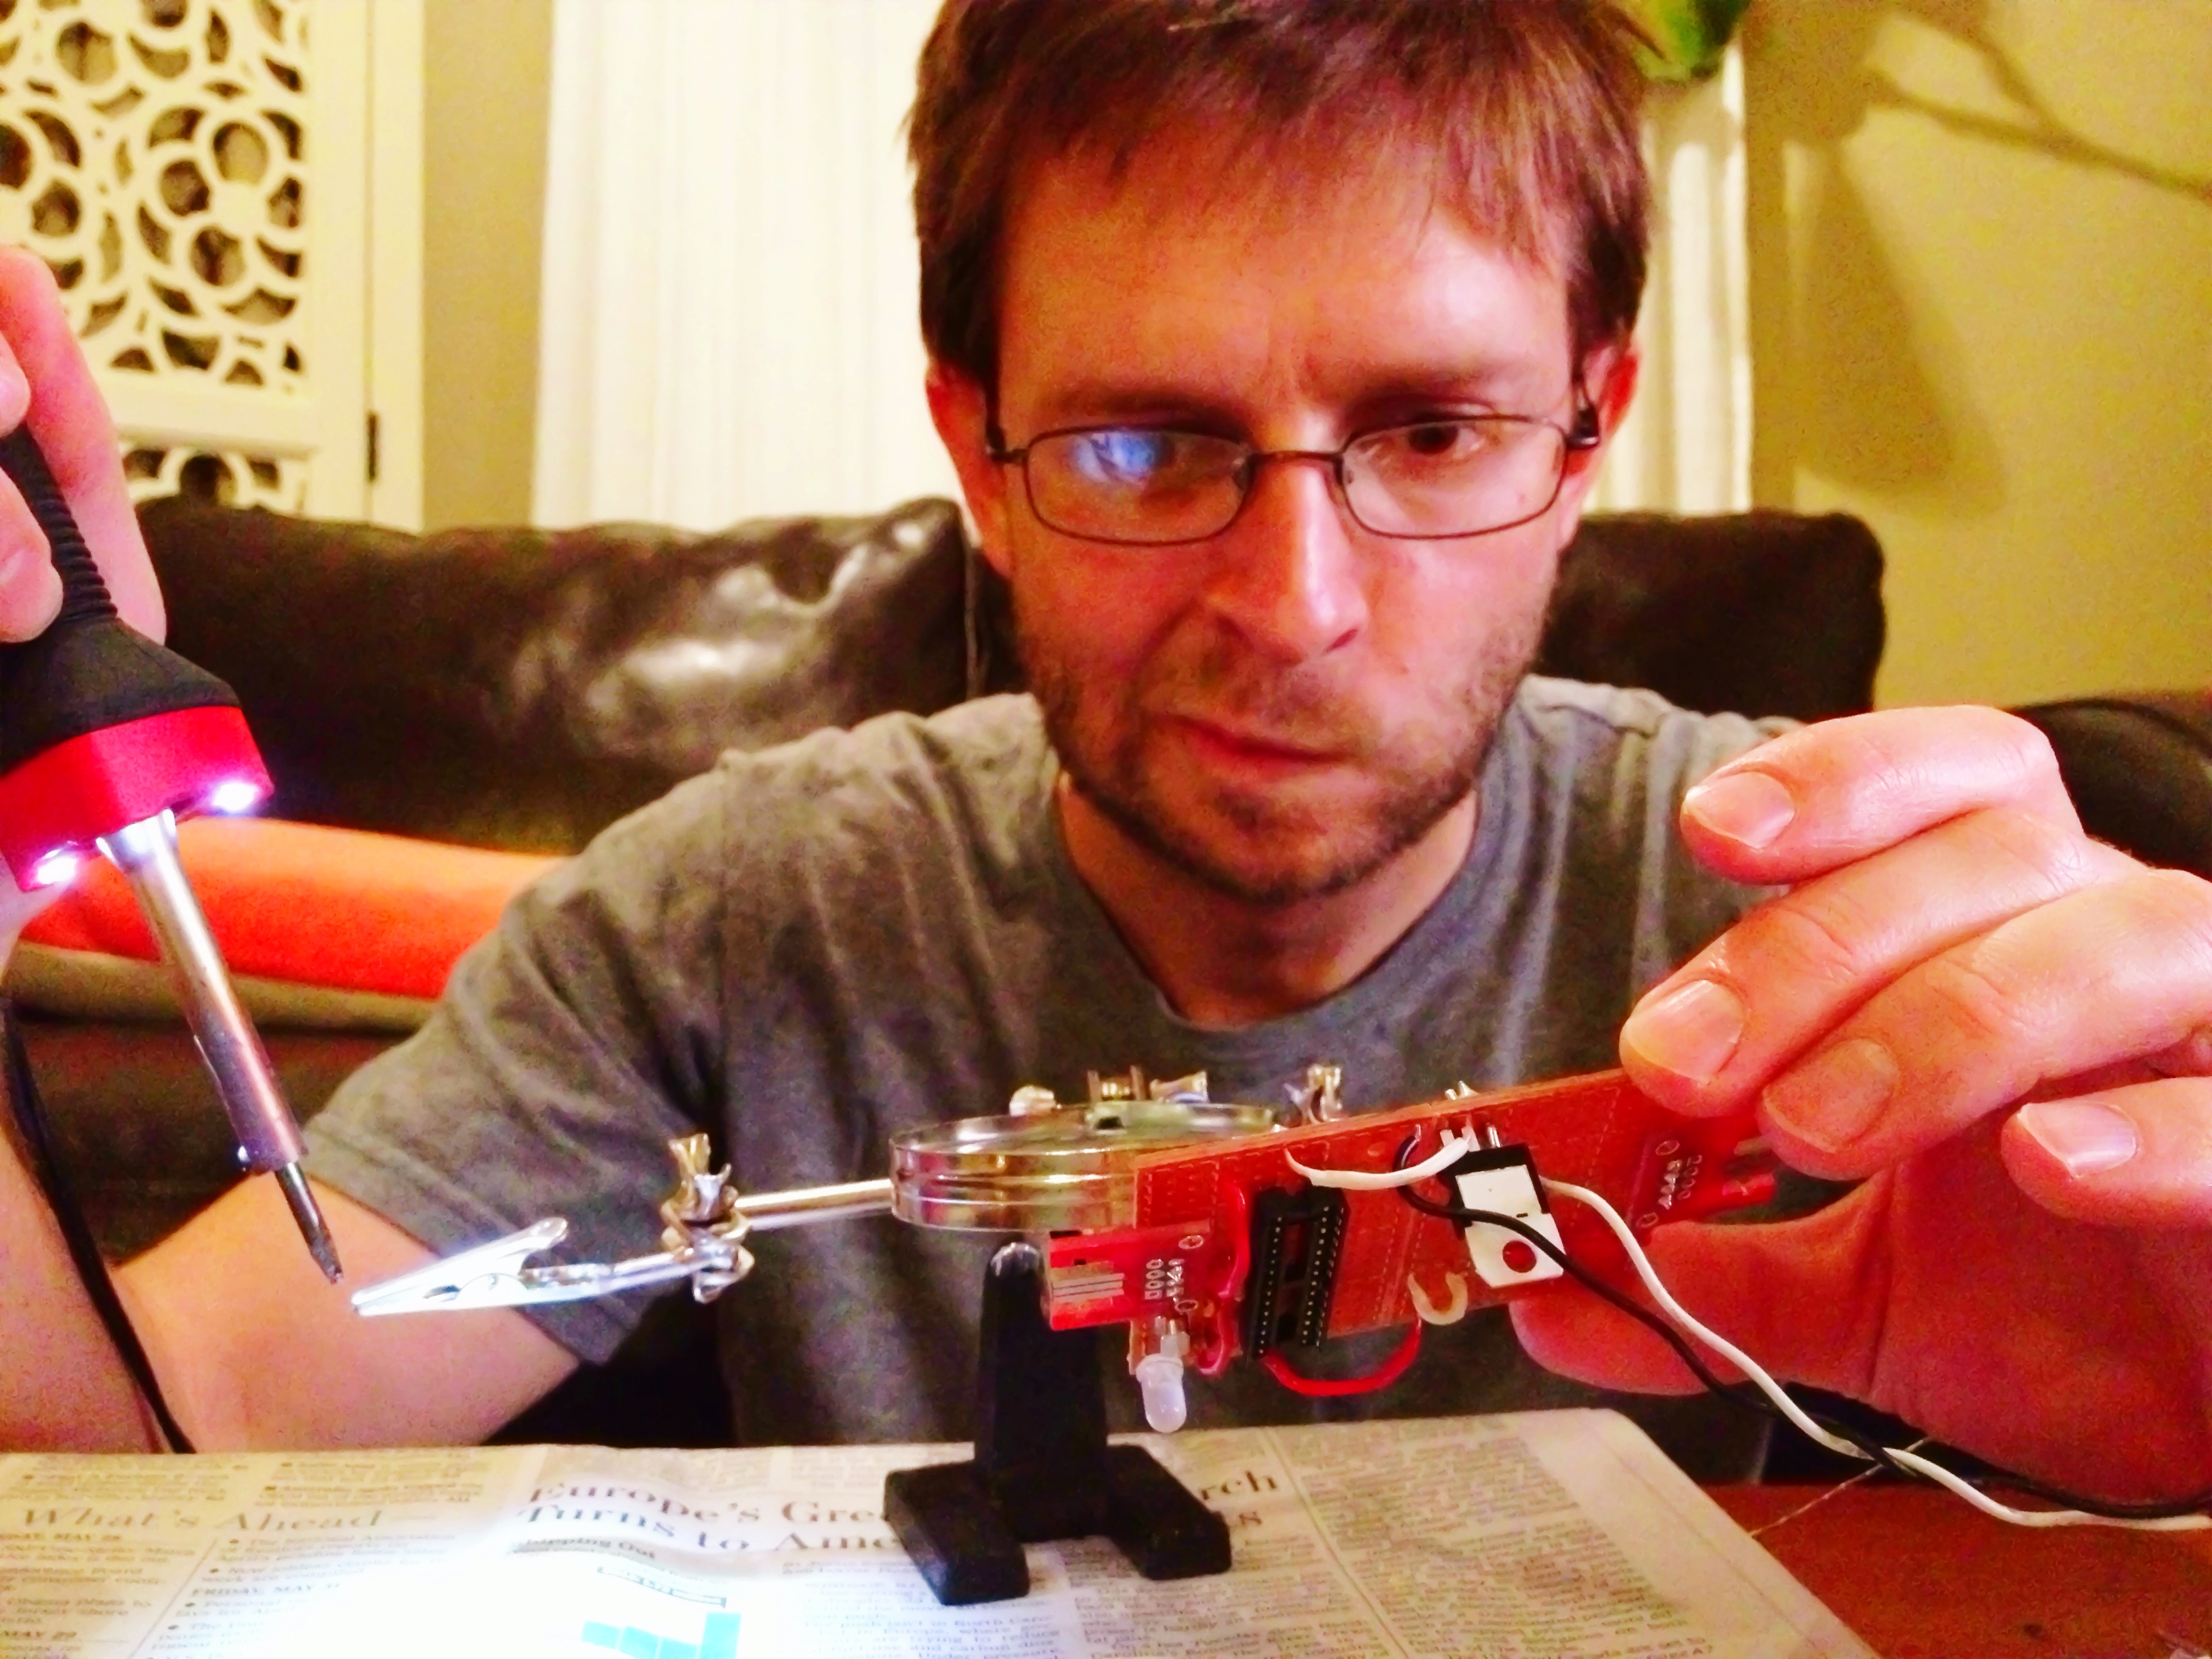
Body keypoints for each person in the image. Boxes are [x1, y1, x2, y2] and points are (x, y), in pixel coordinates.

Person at [0, 0, 2204, 1500]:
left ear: (1587, 431)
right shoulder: (722, 919)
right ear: (976, 447)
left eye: (1434, 432)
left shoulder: (1798, 923)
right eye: (1147, 444)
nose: (1297, 605)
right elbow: (137, 1462)